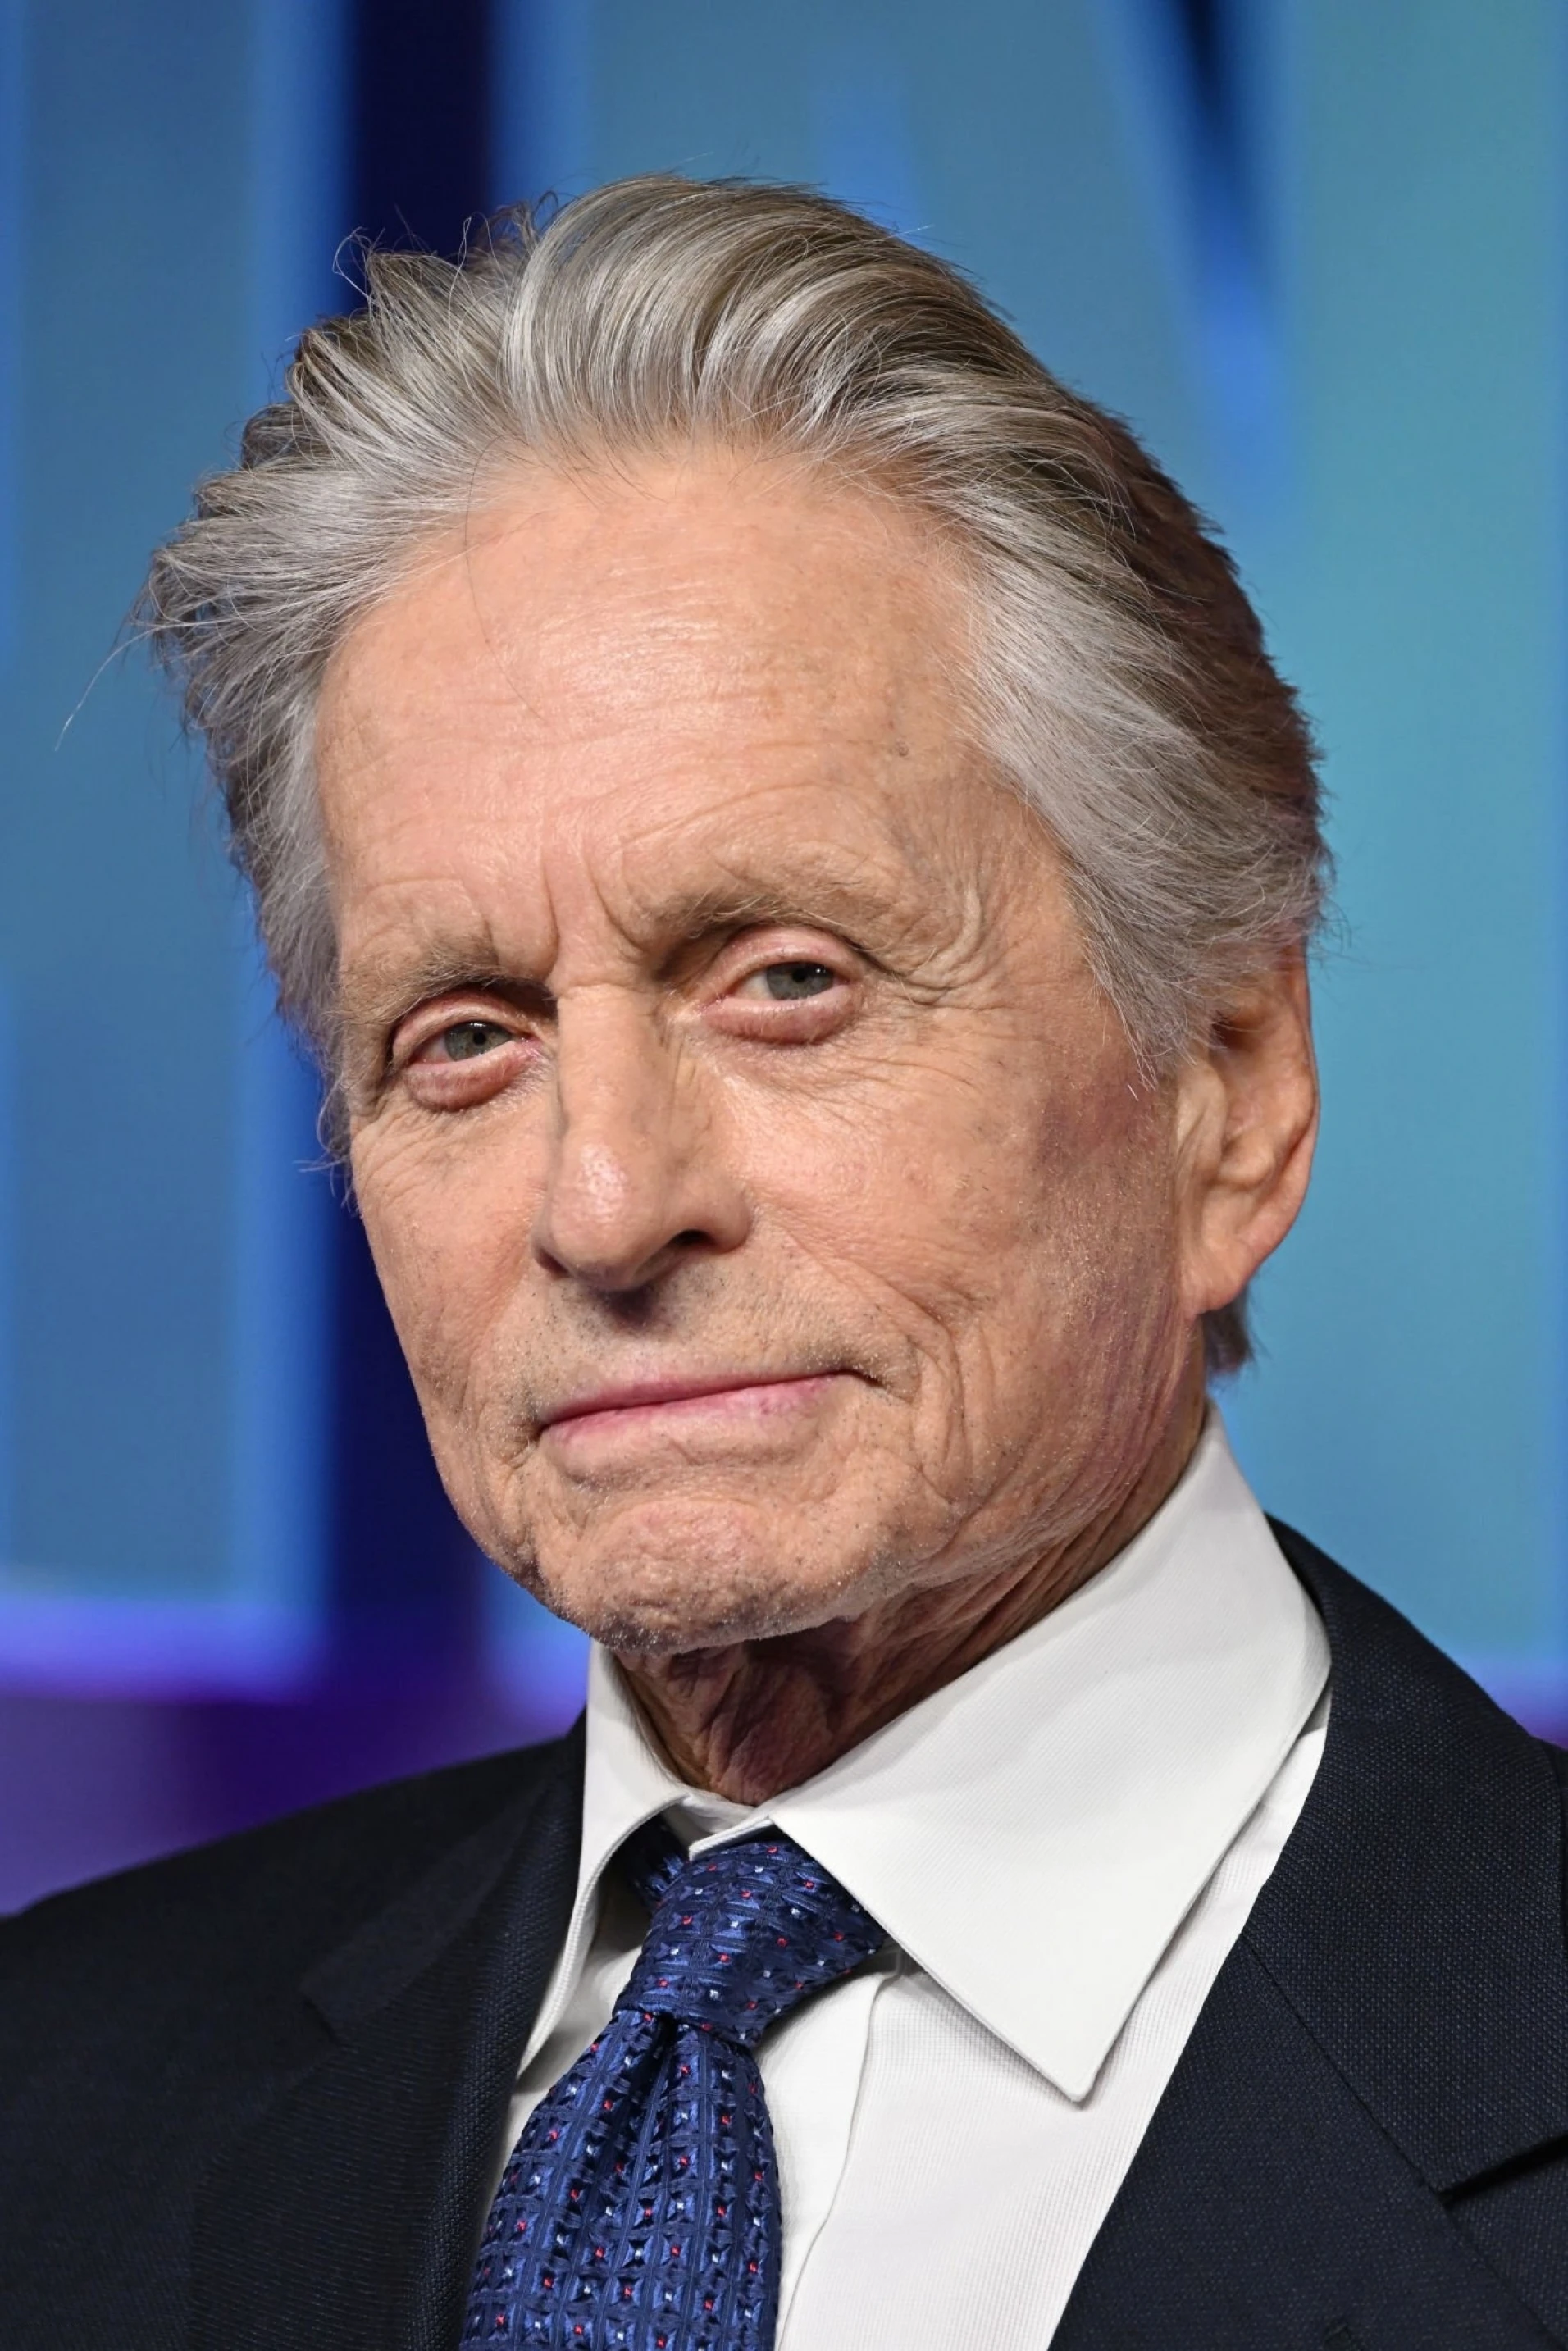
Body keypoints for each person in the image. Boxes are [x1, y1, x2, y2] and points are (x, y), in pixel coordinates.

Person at [2, 176, 1566, 2351]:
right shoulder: (51, 2100)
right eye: (466, 1037)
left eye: (788, 981)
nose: (606, 1202)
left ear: (1229, 1089)